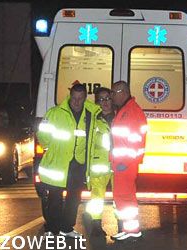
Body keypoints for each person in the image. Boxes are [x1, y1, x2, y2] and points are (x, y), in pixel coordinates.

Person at [37, 83, 101, 238]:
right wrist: (53, 149)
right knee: (54, 198)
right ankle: (52, 229)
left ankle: (66, 228)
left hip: (78, 164)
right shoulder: (55, 113)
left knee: (74, 198)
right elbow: (43, 137)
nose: (77, 102)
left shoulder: (91, 114)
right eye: (74, 98)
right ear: (69, 96)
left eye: (80, 98)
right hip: (58, 163)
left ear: (85, 98)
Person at [109, 80, 147, 241]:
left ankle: (132, 230)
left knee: (125, 198)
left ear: (123, 92)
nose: (111, 97)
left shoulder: (130, 112)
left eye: (113, 93)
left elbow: (136, 142)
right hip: (122, 163)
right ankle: (129, 229)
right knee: (123, 198)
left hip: (125, 164)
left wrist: (126, 163)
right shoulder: (126, 110)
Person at [83, 87, 113, 237]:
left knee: (120, 196)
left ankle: (122, 226)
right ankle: (96, 225)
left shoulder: (120, 116)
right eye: (101, 99)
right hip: (98, 164)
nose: (105, 102)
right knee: (97, 198)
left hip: (116, 163)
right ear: (96, 102)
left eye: (108, 98)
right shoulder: (93, 118)